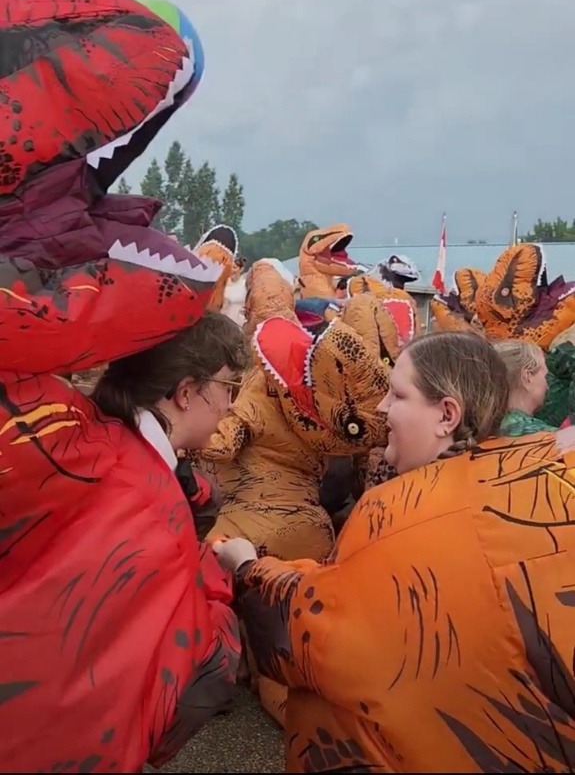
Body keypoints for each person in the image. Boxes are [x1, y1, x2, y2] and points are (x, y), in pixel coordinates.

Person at [215, 331, 575, 773]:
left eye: (398, 394)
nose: (383, 407)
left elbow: (322, 631)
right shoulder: (543, 479)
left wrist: (249, 568)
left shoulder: (394, 511)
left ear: (447, 415)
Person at [92, 309, 250, 538]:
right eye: (229, 388)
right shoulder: (139, 491)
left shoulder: (113, 446)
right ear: (185, 393)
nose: (231, 405)